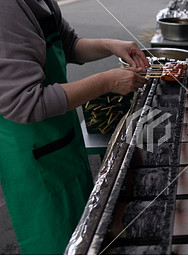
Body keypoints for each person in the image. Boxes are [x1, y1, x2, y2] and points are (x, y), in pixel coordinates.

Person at [0, 0, 149, 254]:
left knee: (83, 234)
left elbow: (69, 45)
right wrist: (106, 81)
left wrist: (109, 45)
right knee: (57, 246)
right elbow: (25, 102)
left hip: (62, 138)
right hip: (33, 152)